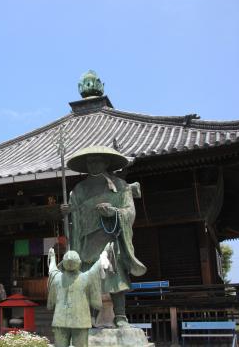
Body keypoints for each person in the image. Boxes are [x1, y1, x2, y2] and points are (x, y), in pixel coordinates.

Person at [61, 146, 147, 327]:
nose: (93, 165)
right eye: (90, 162)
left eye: (97, 161)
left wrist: (113, 212)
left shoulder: (120, 186)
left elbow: (129, 212)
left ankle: (121, 316)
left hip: (109, 238)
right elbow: (74, 216)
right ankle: (89, 316)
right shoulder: (79, 189)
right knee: (88, 278)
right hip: (87, 241)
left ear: (107, 162)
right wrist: (69, 212)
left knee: (115, 275)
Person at [47, 244, 112, 347]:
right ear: (79, 263)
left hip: (60, 320)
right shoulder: (86, 277)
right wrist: (104, 253)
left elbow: (52, 270)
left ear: (63, 264)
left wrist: (53, 258)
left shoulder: (57, 278)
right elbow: (96, 267)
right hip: (81, 321)